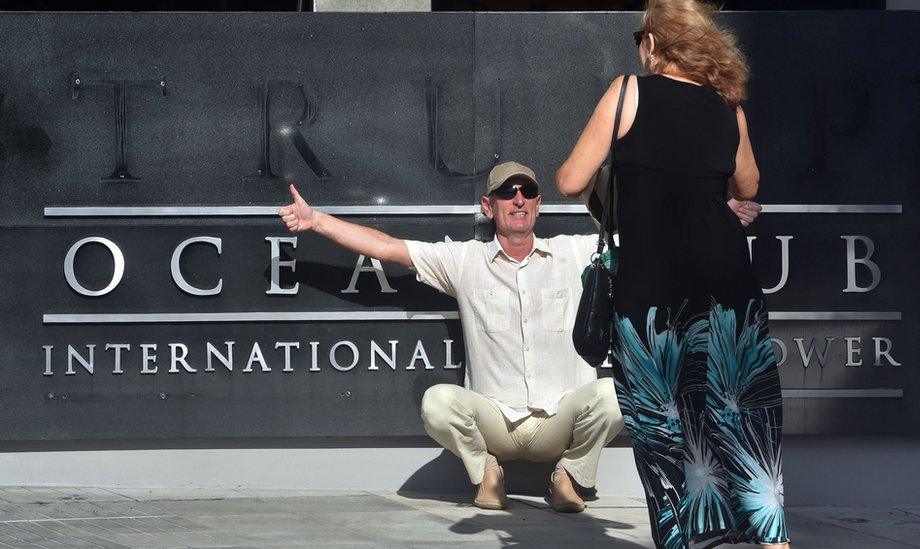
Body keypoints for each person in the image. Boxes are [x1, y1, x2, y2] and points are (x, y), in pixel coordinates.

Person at [278, 160, 761, 514]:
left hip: (561, 419)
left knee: (620, 391)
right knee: (437, 403)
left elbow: (656, 241)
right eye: (507, 192)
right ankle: (487, 473)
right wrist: (316, 221)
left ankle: (569, 476)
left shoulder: (575, 253)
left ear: (538, 203)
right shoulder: (464, 261)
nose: (518, 200)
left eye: (527, 191)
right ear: (489, 206)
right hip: (497, 422)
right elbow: (387, 248)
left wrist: (718, 216)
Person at [555, 1, 790, 548]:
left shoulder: (627, 92)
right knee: (743, 410)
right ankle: (772, 538)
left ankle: (687, 538)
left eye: (641, 34)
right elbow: (748, 186)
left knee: (662, 422)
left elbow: (569, 179)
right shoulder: (729, 107)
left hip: (653, 289)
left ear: (655, 43)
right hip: (727, 280)